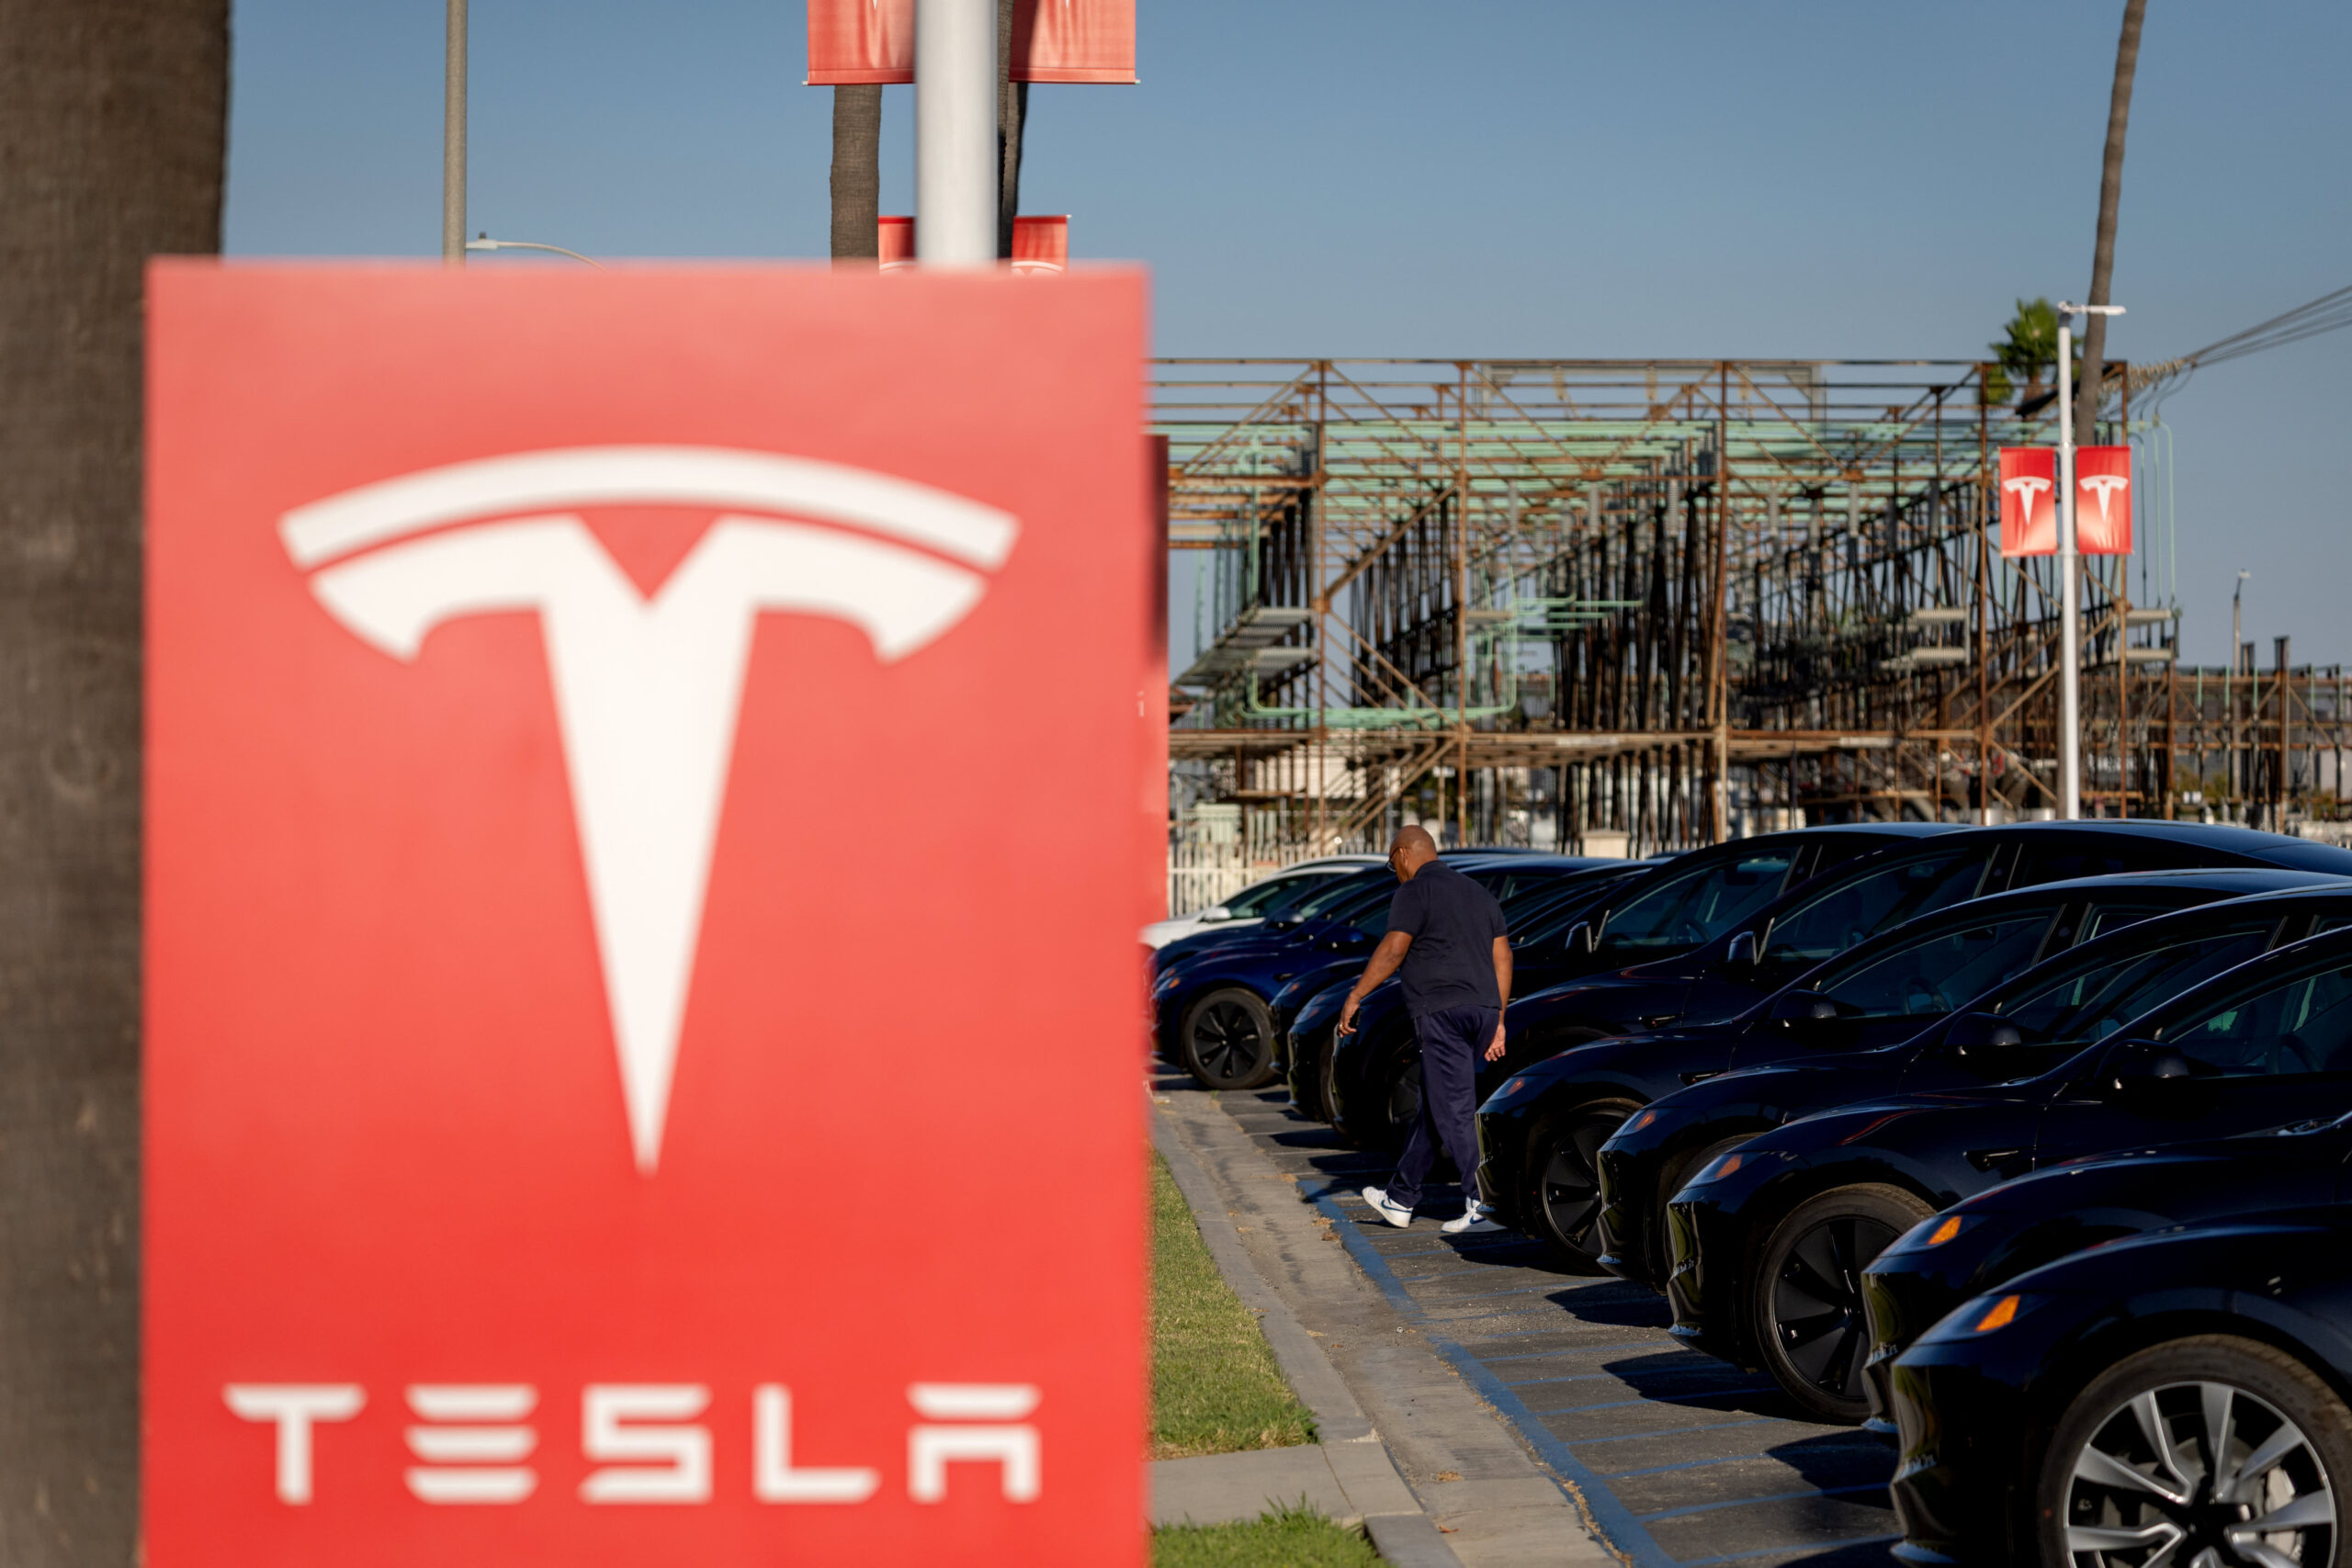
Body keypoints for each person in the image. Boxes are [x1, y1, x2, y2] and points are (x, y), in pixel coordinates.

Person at [1336, 825, 1511, 1234]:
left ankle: (1481, 1199)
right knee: (1437, 1102)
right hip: (1483, 1010)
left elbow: (1394, 949)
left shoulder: (1415, 890)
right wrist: (1499, 1018)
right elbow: (1502, 956)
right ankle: (1401, 1197)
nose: (1395, 872)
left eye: (1391, 863)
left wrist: (1356, 995)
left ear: (1402, 854)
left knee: (1454, 1106)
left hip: (1441, 1011)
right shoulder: (1479, 892)